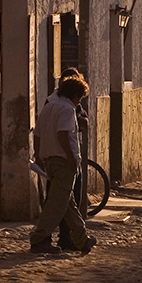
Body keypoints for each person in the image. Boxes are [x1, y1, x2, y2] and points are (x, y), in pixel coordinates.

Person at [28, 75, 96, 254]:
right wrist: (72, 158)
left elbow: (38, 134)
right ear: (74, 94)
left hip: (50, 160)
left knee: (68, 203)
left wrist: (39, 155)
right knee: (57, 204)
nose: (79, 101)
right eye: (80, 97)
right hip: (63, 162)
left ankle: (81, 239)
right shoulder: (67, 110)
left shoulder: (49, 106)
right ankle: (39, 238)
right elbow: (63, 135)